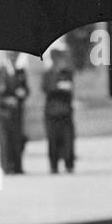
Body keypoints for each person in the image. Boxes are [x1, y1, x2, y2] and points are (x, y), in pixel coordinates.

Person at [0, 50, 28, 174]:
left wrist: (23, 94)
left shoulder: (20, 71)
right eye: (11, 55)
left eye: (15, 55)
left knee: (17, 139)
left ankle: (17, 166)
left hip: (17, 111)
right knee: (5, 141)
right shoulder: (0, 71)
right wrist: (5, 100)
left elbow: (26, 89)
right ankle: (6, 167)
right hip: (3, 111)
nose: (13, 57)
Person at [41, 42, 76, 173]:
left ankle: (69, 164)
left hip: (65, 110)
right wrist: (59, 87)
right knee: (53, 140)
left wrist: (62, 87)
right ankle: (53, 165)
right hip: (52, 112)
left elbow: (70, 88)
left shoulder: (67, 72)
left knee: (68, 140)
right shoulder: (48, 73)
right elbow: (46, 88)